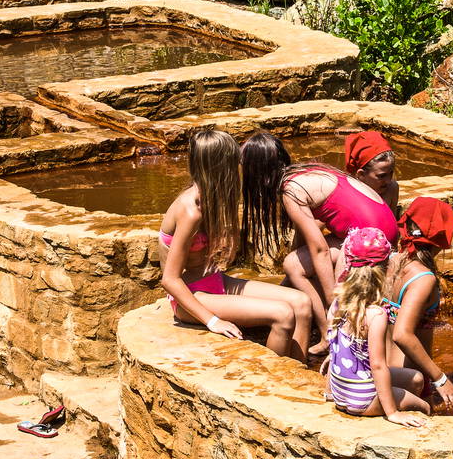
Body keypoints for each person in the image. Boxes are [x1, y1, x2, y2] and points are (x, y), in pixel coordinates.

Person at [159, 129, 312, 360]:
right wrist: (213, 321)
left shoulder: (210, 200)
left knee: (301, 302)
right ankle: (274, 376)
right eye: (234, 163)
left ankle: (298, 372)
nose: (239, 168)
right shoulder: (190, 212)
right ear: (221, 167)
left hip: (215, 281)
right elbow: (170, 280)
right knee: (283, 315)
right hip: (190, 297)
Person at [241, 131, 400, 352]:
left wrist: (331, 301)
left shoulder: (290, 190)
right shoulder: (305, 172)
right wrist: (288, 286)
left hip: (370, 236)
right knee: (299, 264)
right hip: (383, 228)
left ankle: (328, 332)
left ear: (257, 173)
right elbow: (306, 238)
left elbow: (319, 250)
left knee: (292, 265)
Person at [324, 227, 431, 427]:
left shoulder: (338, 300)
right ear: (383, 270)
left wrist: (329, 391)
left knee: (416, 379)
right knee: (424, 407)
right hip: (363, 400)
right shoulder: (375, 315)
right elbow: (378, 365)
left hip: (340, 393)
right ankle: (398, 416)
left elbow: (332, 345)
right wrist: (393, 413)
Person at [382, 196, 453, 409]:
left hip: (384, 371)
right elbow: (402, 334)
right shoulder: (423, 278)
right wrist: (440, 379)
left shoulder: (390, 261)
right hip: (410, 378)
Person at [344, 130, 400, 211]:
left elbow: (392, 218)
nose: (388, 181)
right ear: (361, 175)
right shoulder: (347, 196)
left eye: (391, 173)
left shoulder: (392, 188)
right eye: (381, 176)